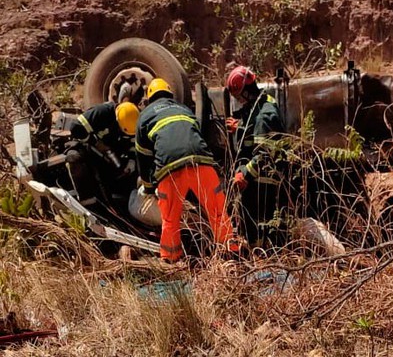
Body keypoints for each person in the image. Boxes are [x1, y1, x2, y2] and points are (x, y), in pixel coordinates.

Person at [135, 78, 237, 262]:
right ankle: (230, 255)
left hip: (170, 169)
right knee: (218, 212)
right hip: (202, 163)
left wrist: (149, 187)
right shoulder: (183, 109)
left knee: (170, 220)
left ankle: (171, 260)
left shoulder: (144, 116)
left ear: (150, 98)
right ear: (170, 94)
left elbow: (143, 157)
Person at [225, 66, 286, 247]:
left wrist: (245, 175)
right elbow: (254, 132)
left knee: (256, 223)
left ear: (245, 93)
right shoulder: (261, 103)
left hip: (264, 179)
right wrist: (240, 127)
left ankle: (260, 255)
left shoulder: (264, 115)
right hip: (262, 176)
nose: (239, 101)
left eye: (238, 97)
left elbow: (264, 154)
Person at [68, 100, 140, 204]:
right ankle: (88, 202)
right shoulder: (103, 112)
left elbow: (134, 143)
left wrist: (131, 162)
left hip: (111, 153)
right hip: (88, 146)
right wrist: (95, 142)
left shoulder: (133, 121)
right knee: (74, 157)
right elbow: (75, 127)